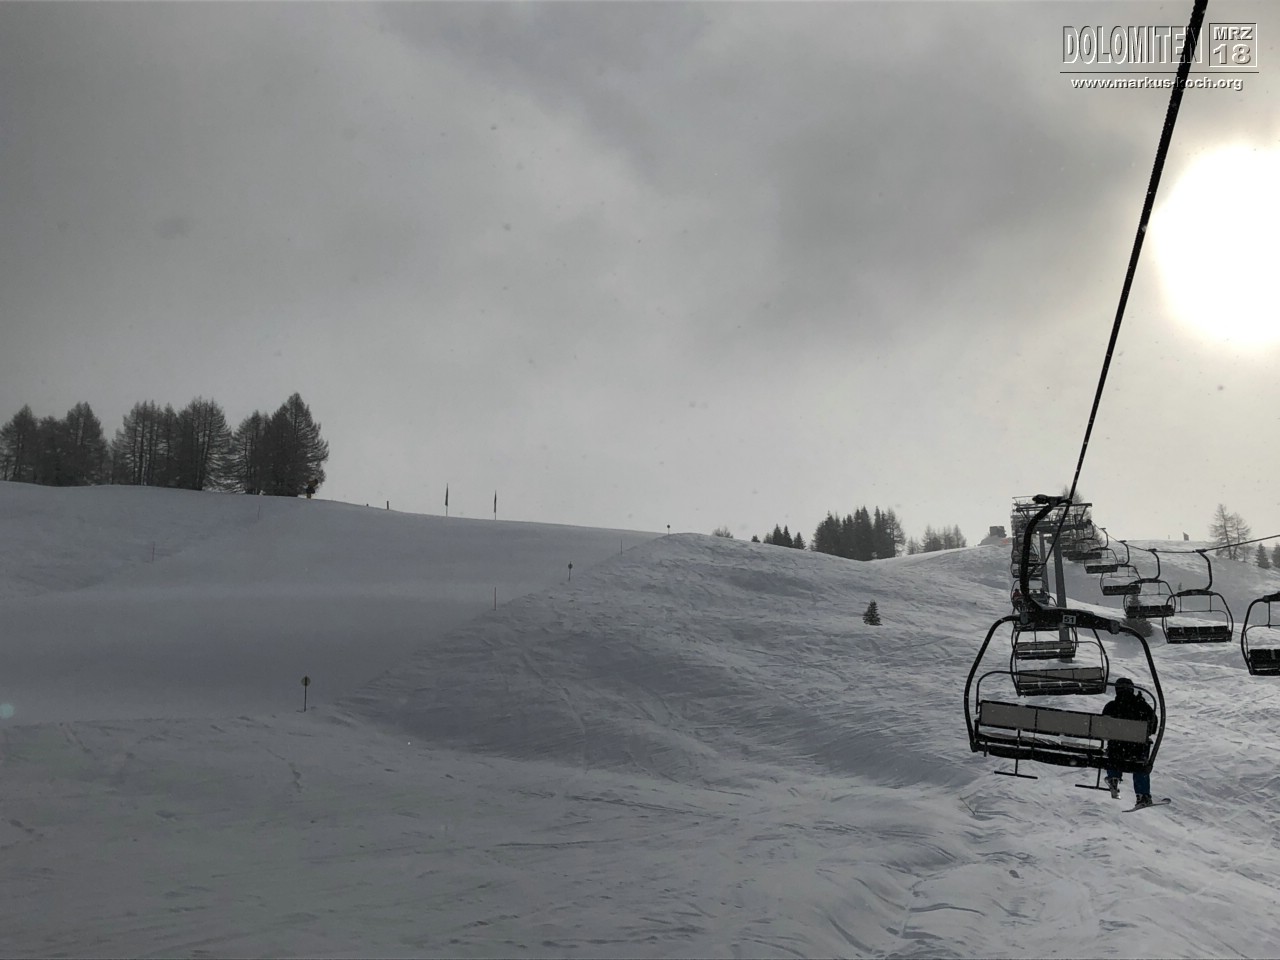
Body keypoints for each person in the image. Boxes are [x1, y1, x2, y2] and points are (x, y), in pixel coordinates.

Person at [1103, 677, 1157, 807]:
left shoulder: (1112, 706)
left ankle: (1114, 777)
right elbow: (1153, 726)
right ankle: (1142, 795)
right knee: (1140, 766)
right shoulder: (1143, 706)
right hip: (1138, 751)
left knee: (1113, 755)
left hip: (1117, 750)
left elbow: (1103, 728)